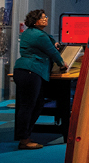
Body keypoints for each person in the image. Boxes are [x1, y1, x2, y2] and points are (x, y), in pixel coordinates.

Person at [12, 10, 67, 150]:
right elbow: (52, 52)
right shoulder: (39, 36)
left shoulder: (31, 33)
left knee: (35, 105)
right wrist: (62, 64)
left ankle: (25, 136)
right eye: (42, 18)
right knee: (29, 106)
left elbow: (50, 44)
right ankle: (24, 139)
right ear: (35, 21)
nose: (45, 19)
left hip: (25, 71)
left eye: (45, 17)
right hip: (31, 71)